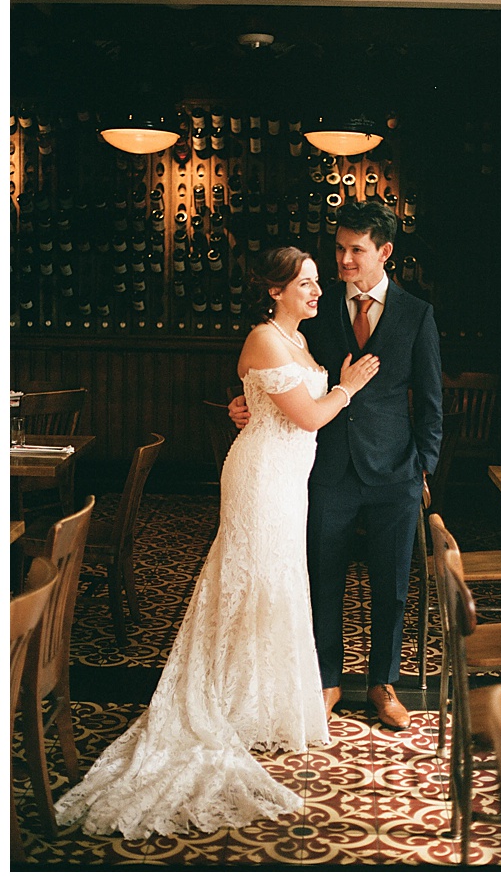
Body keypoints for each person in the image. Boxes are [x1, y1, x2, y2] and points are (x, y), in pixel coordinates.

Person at [55, 247, 380, 839]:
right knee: (253, 574)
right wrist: (349, 387)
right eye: (305, 284)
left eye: (315, 283)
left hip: (287, 478)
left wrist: (251, 405)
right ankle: (226, 698)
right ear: (275, 290)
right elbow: (307, 417)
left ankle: (263, 697)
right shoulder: (264, 337)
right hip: (261, 477)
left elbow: (267, 402)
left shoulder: (298, 342)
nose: (316, 291)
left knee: (278, 578)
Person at [230, 200, 442, 731]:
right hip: (325, 469)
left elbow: (433, 399)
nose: (343, 261)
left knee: (392, 583)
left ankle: (382, 684)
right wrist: (248, 403)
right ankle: (325, 681)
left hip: (395, 471)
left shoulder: (417, 314)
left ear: (384, 253)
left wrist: (424, 468)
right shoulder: (314, 308)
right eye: (340, 249)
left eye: (356, 251)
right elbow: (280, 372)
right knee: (322, 577)